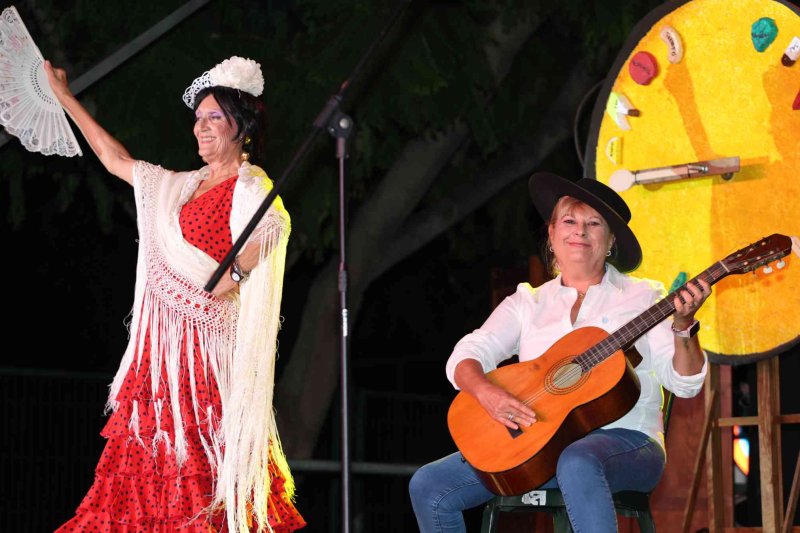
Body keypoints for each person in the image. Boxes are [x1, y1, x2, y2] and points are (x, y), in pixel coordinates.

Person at [46, 56, 305, 532]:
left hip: (203, 364)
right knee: (139, 484)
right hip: (160, 358)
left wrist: (230, 279)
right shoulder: (181, 187)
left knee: (200, 483)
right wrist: (65, 97)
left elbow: (274, 225)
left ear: (240, 127)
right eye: (198, 119)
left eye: (214, 118)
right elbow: (116, 159)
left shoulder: (251, 188)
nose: (201, 128)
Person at [409, 172, 709, 532]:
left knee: (578, 460)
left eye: (593, 223)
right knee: (429, 486)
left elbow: (686, 384)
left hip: (629, 444)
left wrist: (683, 328)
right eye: (569, 220)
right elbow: (466, 354)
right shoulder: (528, 301)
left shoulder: (644, 297)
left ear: (611, 241)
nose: (579, 231)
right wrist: (487, 393)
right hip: (539, 449)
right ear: (551, 235)